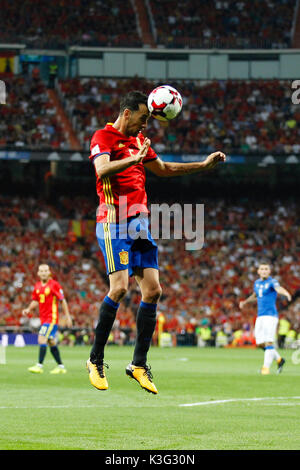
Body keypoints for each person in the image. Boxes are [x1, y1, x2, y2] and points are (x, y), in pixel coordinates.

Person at [86, 90, 226, 394]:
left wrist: (202, 165)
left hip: (140, 222)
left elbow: (163, 169)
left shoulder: (139, 142)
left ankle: (138, 364)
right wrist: (134, 159)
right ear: (127, 113)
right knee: (120, 287)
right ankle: (95, 359)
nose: (146, 125)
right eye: (143, 117)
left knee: (153, 290)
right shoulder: (103, 137)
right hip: (113, 221)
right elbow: (101, 169)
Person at [239, 263, 292, 375]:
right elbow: (256, 295)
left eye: (266, 269)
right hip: (260, 316)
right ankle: (279, 360)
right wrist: (245, 302)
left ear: (269, 271)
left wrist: (286, 293)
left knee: (269, 342)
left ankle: (265, 368)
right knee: (259, 343)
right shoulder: (257, 283)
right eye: (262, 269)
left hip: (270, 316)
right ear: (258, 271)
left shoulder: (272, 282)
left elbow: (279, 288)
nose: (264, 271)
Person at [22, 264, 72, 374]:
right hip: (44, 319)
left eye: (45, 271)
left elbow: (62, 300)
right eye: (41, 271)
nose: (44, 273)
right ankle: (61, 367)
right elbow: (36, 300)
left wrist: (67, 316)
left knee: (41, 338)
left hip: (51, 318)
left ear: (49, 272)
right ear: (38, 273)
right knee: (50, 341)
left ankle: (39, 366)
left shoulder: (54, 285)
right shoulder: (37, 286)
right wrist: (28, 309)